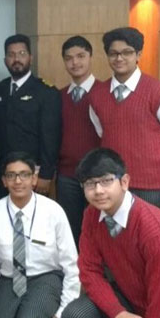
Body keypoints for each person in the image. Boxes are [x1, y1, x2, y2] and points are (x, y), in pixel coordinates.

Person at [62, 148, 160, 318]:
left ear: (125, 182)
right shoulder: (92, 215)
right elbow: (89, 270)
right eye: (90, 184)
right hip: (131, 296)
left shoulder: (155, 231)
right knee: (74, 316)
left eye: (106, 181)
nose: (98, 190)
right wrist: (118, 313)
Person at [0, 151, 80, 318]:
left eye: (24, 175)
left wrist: (61, 313)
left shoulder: (53, 211)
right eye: (11, 175)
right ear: (4, 181)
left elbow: (71, 263)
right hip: (9, 280)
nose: (18, 181)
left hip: (45, 278)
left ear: (34, 179)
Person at [89, 27, 160, 209]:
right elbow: (102, 132)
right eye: (113, 53)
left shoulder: (158, 91)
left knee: (147, 226)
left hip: (149, 183)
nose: (119, 58)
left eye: (127, 52)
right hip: (111, 181)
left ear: (138, 54)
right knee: (114, 227)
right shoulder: (97, 95)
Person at [0, 34, 61, 198]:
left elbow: (51, 137)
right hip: (6, 171)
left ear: (30, 58)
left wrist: (46, 174)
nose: (16, 59)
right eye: (11, 55)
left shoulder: (46, 92)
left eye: (22, 54)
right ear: (5, 60)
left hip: (33, 172)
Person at [57, 36, 101, 247]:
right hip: (67, 175)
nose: (75, 62)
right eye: (69, 58)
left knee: (99, 229)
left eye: (81, 56)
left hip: (98, 176)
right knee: (70, 230)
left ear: (90, 57)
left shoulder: (104, 92)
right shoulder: (58, 96)